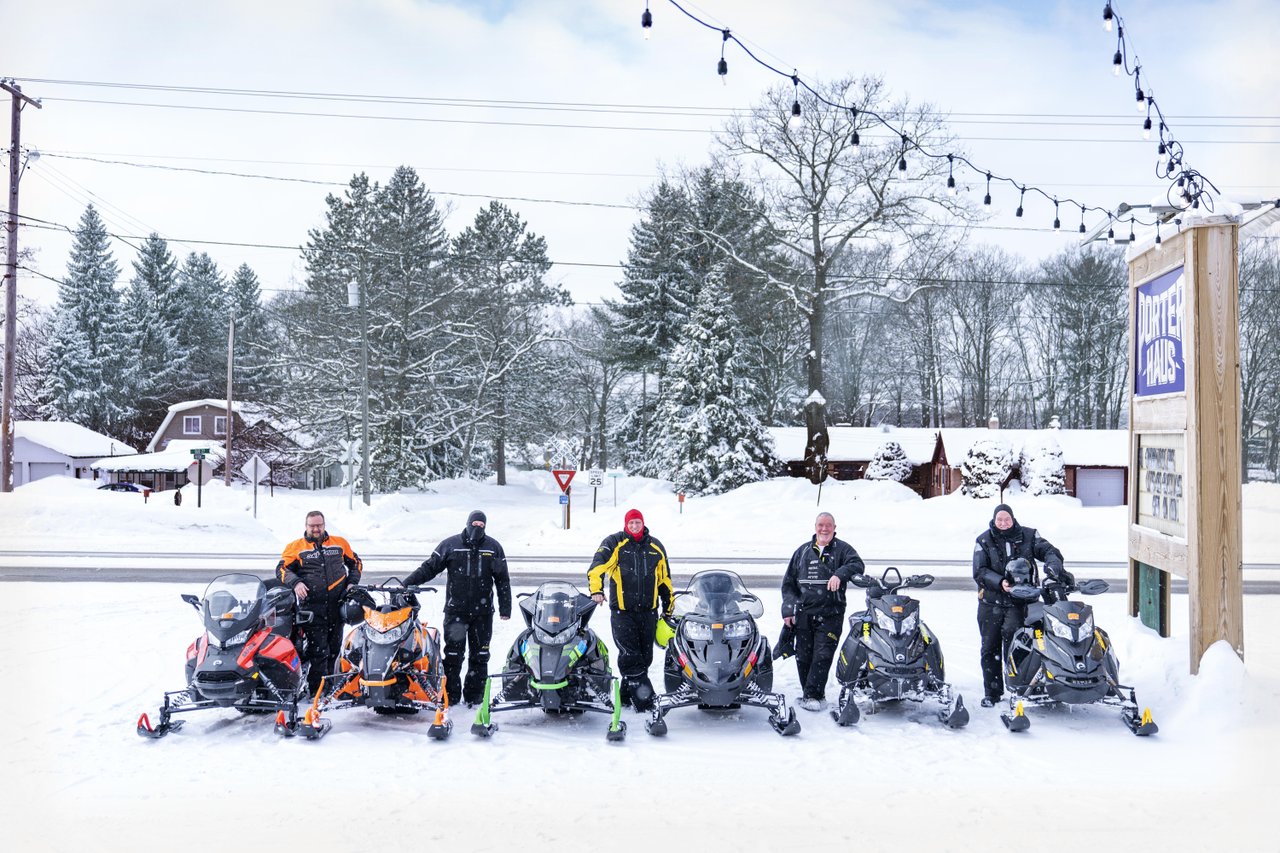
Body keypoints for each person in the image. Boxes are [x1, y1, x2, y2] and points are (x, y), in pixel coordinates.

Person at [404, 510, 511, 707]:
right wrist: (407, 584)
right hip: (456, 612)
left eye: (481, 525)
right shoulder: (451, 545)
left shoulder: (493, 547)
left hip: (483, 613)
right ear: (468, 523)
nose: (477, 528)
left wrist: (506, 608)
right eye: (475, 524)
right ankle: (450, 696)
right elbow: (429, 568)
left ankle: (474, 697)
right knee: (453, 655)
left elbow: (502, 579)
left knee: (480, 656)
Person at [972, 503, 1071, 708]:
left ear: (1013, 519)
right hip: (991, 602)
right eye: (999, 520)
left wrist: (1053, 568)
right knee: (989, 648)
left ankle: (1019, 687)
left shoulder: (1028, 535)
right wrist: (999, 582)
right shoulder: (983, 540)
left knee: (1018, 645)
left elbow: (1050, 551)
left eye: (1007, 519)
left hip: (1021, 602)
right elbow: (979, 571)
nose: (1003, 523)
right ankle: (992, 692)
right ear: (994, 520)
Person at [587, 508, 673, 712]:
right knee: (630, 654)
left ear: (643, 524)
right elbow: (596, 568)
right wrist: (596, 590)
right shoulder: (615, 543)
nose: (634, 526)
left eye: (637, 522)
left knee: (645, 657)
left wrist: (669, 609)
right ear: (626, 524)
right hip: (622, 613)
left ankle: (625, 696)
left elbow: (665, 580)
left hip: (649, 612)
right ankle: (645, 700)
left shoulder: (656, 547)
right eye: (631, 523)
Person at [781, 511, 865, 711]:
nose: (824, 529)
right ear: (815, 527)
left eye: (828, 525)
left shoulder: (843, 550)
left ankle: (814, 695)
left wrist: (839, 574)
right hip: (803, 613)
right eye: (821, 525)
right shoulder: (802, 552)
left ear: (835, 528)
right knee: (803, 655)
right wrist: (788, 610)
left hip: (831, 613)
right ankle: (808, 693)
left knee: (823, 654)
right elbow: (788, 584)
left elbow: (857, 565)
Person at [276, 510, 363, 695]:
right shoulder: (296, 547)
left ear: (324, 525)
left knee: (334, 649)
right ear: (306, 526)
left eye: (319, 525)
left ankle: (332, 687)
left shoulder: (339, 543)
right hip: (312, 608)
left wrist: (352, 584)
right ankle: (316, 690)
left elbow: (356, 563)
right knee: (318, 651)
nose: (316, 529)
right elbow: (281, 569)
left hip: (337, 605)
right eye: (312, 525)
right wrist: (296, 582)